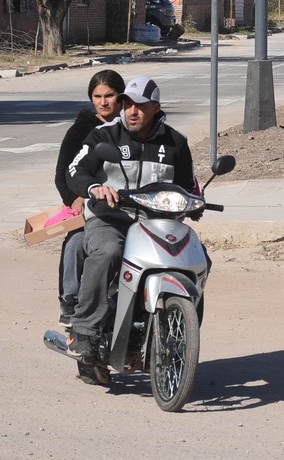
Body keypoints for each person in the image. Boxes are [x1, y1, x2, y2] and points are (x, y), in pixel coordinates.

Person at [66, 75, 197, 385]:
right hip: (111, 218)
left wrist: (196, 201)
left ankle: (181, 330)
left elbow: (188, 183)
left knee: (198, 257)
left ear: (155, 107)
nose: (131, 111)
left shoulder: (175, 142)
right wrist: (95, 187)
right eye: (127, 104)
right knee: (108, 251)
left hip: (157, 222)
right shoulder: (104, 135)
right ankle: (83, 329)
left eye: (139, 105)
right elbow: (76, 170)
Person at [52, 68, 124, 325]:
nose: (103, 102)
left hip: (128, 204)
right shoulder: (81, 130)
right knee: (77, 243)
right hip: (91, 204)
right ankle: (70, 301)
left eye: (110, 95)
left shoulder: (133, 126)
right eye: (97, 96)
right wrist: (76, 198)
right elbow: (63, 174)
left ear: (121, 97)